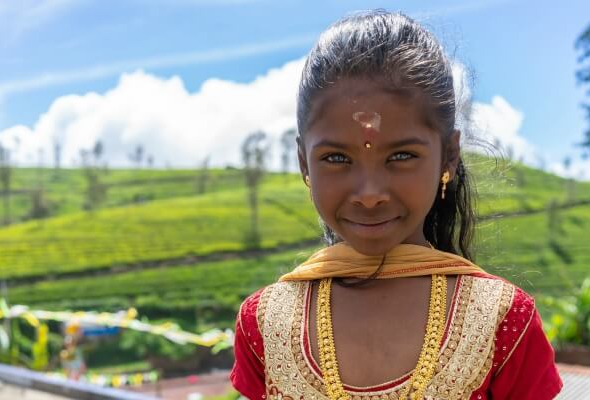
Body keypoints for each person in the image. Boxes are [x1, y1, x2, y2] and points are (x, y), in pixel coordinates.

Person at [229, 10, 563, 400]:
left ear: (448, 157)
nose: (370, 193)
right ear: (304, 163)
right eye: (337, 158)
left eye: (401, 156)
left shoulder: (502, 320)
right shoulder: (265, 323)